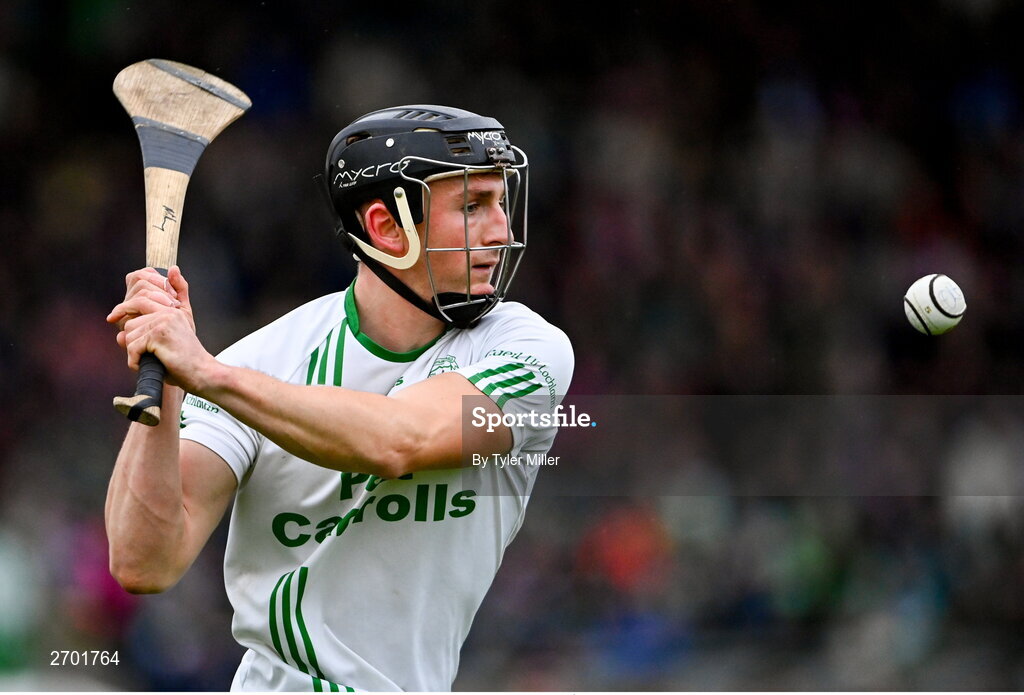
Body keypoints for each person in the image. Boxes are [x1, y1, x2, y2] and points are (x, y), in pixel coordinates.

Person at [105, 105, 574, 691]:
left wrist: (201, 370)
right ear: (385, 227)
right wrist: (169, 385)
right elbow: (143, 562)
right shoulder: (260, 364)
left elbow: (402, 440)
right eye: (473, 206)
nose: (500, 229)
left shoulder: (526, 351)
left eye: (500, 203)